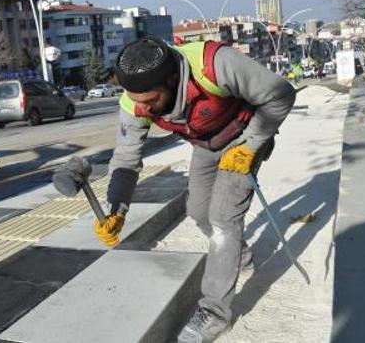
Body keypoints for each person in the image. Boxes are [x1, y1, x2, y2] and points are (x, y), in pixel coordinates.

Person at [96, 37, 295, 342]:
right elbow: (125, 159)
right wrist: (116, 208)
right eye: (136, 100)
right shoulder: (133, 102)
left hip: (246, 136)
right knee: (199, 211)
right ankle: (239, 258)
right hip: (206, 145)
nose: (142, 108)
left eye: (150, 101)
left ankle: (215, 312)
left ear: (173, 80)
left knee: (222, 218)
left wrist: (251, 144)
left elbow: (280, 95)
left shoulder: (214, 65)